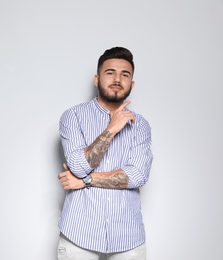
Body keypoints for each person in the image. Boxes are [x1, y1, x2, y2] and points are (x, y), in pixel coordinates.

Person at [57, 47, 153, 260]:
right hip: (79, 236)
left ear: (132, 84)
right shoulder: (72, 116)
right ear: (96, 79)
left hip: (128, 240)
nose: (117, 78)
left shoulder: (141, 125)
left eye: (125, 74)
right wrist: (112, 128)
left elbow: (138, 176)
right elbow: (78, 166)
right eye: (110, 72)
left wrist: (86, 180)